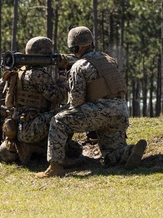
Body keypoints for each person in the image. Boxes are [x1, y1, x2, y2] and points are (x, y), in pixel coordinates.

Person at [37, 26, 146, 178]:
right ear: (92, 44)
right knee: (109, 155)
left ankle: (55, 167)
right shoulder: (109, 60)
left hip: (99, 112)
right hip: (121, 111)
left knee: (58, 121)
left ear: (76, 48)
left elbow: (77, 102)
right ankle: (129, 152)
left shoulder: (79, 66)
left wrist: (65, 77)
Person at [0, 36, 75, 165]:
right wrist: (62, 72)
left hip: (16, 130)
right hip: (33, 130)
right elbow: (61, 97)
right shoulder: (38, 75)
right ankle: (60, 158)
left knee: (75, 148)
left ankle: (6, 149)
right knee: (71, 110)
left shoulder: (14, 74)